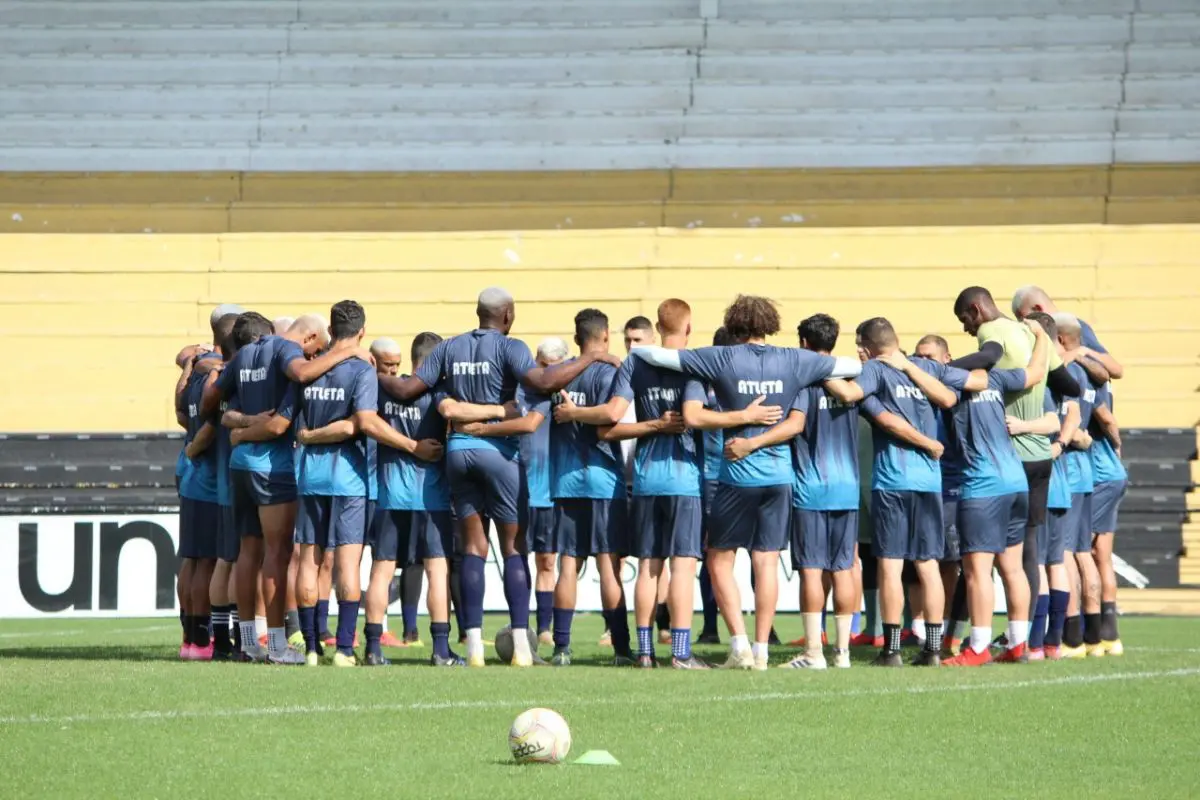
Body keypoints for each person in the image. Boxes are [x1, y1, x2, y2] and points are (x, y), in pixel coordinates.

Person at [374, 287, 616, 667]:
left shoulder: (448, 349)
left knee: (472, 549)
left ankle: (472, 647)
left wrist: (370, 372)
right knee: (513, 548)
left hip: (458, 453)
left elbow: (406, 388)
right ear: (507, 315)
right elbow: (544, 381)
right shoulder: (511, 348)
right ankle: (521, 645)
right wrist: (591, 357)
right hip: (500, 457)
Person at [632, 294, 862, 669]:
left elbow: (659, 357)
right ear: (769, 322)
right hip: (780, 476)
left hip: (737, 474)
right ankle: (762, 651)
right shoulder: (795, 359)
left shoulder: (720, 357)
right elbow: (850, 365)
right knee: (766, 563)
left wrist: (628, 352)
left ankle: (738, 644)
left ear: (734, 323)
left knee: (720, 559)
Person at [557, 300, 709, 669]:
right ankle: (681, 652)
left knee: (648, 568)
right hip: (683, 478)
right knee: (682, 567)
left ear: (657, 326)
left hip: (644, 479)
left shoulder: (634, 365)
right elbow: (696, 418)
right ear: (688, 328)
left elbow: (609, 420)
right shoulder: (697, 365)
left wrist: (575, 413)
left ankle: (644, 652)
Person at [205, 313, 365, 663]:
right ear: (308, 339)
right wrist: (344, 351)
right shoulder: (284, 353)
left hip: (240, 466)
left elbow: (223, 409)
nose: (313, 360)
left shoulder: (245, 354)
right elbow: (280, 423)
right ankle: (277, 646)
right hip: (271, 468)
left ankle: (248, 641)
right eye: (316, 350)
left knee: (248, 553)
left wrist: (242, 429)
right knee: (277, 554)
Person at [824, 317, 963, 667]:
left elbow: (858, 398)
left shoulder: (875, 370)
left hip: (893, 480)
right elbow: (948, 398)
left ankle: (892, 649)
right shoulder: (925, 367)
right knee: (928, 564)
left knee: (890, 565)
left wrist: (816, 369)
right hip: (929, 483)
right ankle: (932, 648)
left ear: (868, 346)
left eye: (859, 345)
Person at [950, 287, 1078, 649]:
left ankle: (971, 641)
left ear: (976, 310)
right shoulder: (1028, 331)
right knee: (1027, 555)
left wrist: (942, 369)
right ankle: (1029, 642)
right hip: (1040, 456)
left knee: (982, 562)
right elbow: (1067, 383)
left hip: (1005, 454)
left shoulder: (991, 333)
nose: (966, 329)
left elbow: (988, 357)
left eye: (965, 320)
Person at [730, 314, 860, 669]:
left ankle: (814, 653)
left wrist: (752, 443)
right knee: (845, 567)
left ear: (803, 344)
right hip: (848, 487)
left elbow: (794, 425)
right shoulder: (852, 381)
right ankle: (843, 653)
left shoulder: (801, 383)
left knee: (813, 570)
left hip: (811, 487)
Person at [921, 319, 1051, 665]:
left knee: (978, 570)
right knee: (1012, 567)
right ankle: (1018, 645)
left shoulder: (948, 378)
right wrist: (1042, 337)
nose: (927, 362)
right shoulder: (995, 379)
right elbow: (1036, 372)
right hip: (1014, 480)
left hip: (982, 485)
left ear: (948, 357)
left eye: (930, 356)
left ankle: (977, 647)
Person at [546, 309, 633, 666]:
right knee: (608, 566)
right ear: (607, 335)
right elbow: (612, 415)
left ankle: (562, 648)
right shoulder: (611, 372)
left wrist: (572, 412)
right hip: (603, 479)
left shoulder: (559, 375)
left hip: (566, 480)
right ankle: (622, 650)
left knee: (568, 565)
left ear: (577, 335)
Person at [1051, 312, 1110, 658]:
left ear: (1059, 340)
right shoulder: (1088, 373)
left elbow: (1069, 422)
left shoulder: (1064, 373)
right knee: (1083, 554)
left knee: (1064, 554)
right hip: (1085, 470)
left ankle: (1070, 637)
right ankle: (1094, 635)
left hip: (1068, 469)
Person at [696, 327, 733, 646]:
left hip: (712, 477)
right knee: (757, 555)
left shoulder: (705, 385)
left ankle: (711, 626)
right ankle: (710, 625)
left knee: (714, 555)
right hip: (729, 475)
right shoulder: (716, 386)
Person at [1011, 285, 1124, 380]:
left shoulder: (1072, 326)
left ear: (1038, 308)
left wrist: (1081, 352)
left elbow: (1117, 370)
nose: (1024, 324)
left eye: (1024, 318)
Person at [1089, 378, 1127, 655]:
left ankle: (1085, 632)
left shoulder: (1077, 379)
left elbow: (1106, 418)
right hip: (1111, 474)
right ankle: (1109, 635)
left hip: (1097, 476)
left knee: (1078, 552)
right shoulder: (1101, 380)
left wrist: (1116, 444)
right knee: (1102, 553)